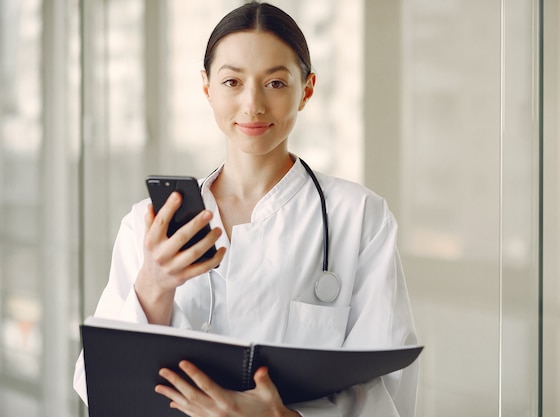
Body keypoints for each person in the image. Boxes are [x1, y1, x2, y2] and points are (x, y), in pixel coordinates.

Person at [73, 2, 418, 416]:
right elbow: (97, 387)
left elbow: (389, 388)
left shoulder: (359, 218)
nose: (252, 104)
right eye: (232, 81)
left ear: (306, 89)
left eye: (275, 83)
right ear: (206, 87)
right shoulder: (148, 225)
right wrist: (154, 286)